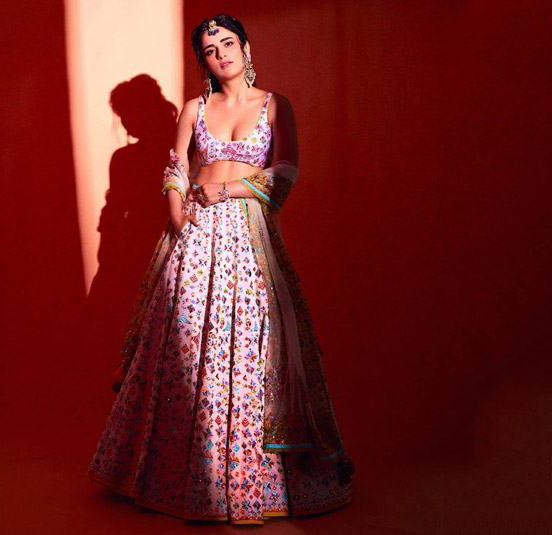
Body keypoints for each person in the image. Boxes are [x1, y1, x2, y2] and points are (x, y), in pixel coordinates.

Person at [87, 14, 355, 525]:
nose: (221, 54)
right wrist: (177, 215)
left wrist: (228, 190)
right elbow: (176, 168)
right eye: (211, 50)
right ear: (203, 62)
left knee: (250, 348)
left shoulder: (275, 106)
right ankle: (176, 476)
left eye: (228, 43)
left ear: (245, 47)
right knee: (185, 349)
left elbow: (286, 171)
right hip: (195, 235)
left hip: (250, 238)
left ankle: (251, 482)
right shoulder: (194, 109)